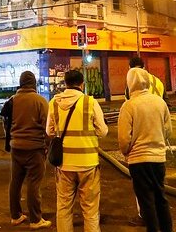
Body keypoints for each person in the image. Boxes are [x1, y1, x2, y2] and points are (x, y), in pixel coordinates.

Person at [46, 70, 108, 232]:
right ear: (82, 84)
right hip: (88, 164)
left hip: (64, 164)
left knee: (64, 207)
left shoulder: (54, 103)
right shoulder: (90, 102)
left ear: (65, 84)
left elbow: (49, 132)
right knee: (90, 210)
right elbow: (102, 131)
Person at [119, 68, 173, 232]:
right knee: (160, 197)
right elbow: (168, 130)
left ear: (129, 85)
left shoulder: (129, 106)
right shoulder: (160, 102)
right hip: (158, 159)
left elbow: (123, 139)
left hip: (138, 160)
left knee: (146, 201)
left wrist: (127, 151)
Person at [1, 71, 51, 229]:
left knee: (15, 182)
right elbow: (48, 128)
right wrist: (47, 147)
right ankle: (36, 220)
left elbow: (5, 124)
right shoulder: (40, 101)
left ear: (21, 83)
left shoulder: (11, 101)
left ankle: (15, 216)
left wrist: (13, 138)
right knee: (33, 184)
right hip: (35, 148)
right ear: (34, 83)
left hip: (16, 148)